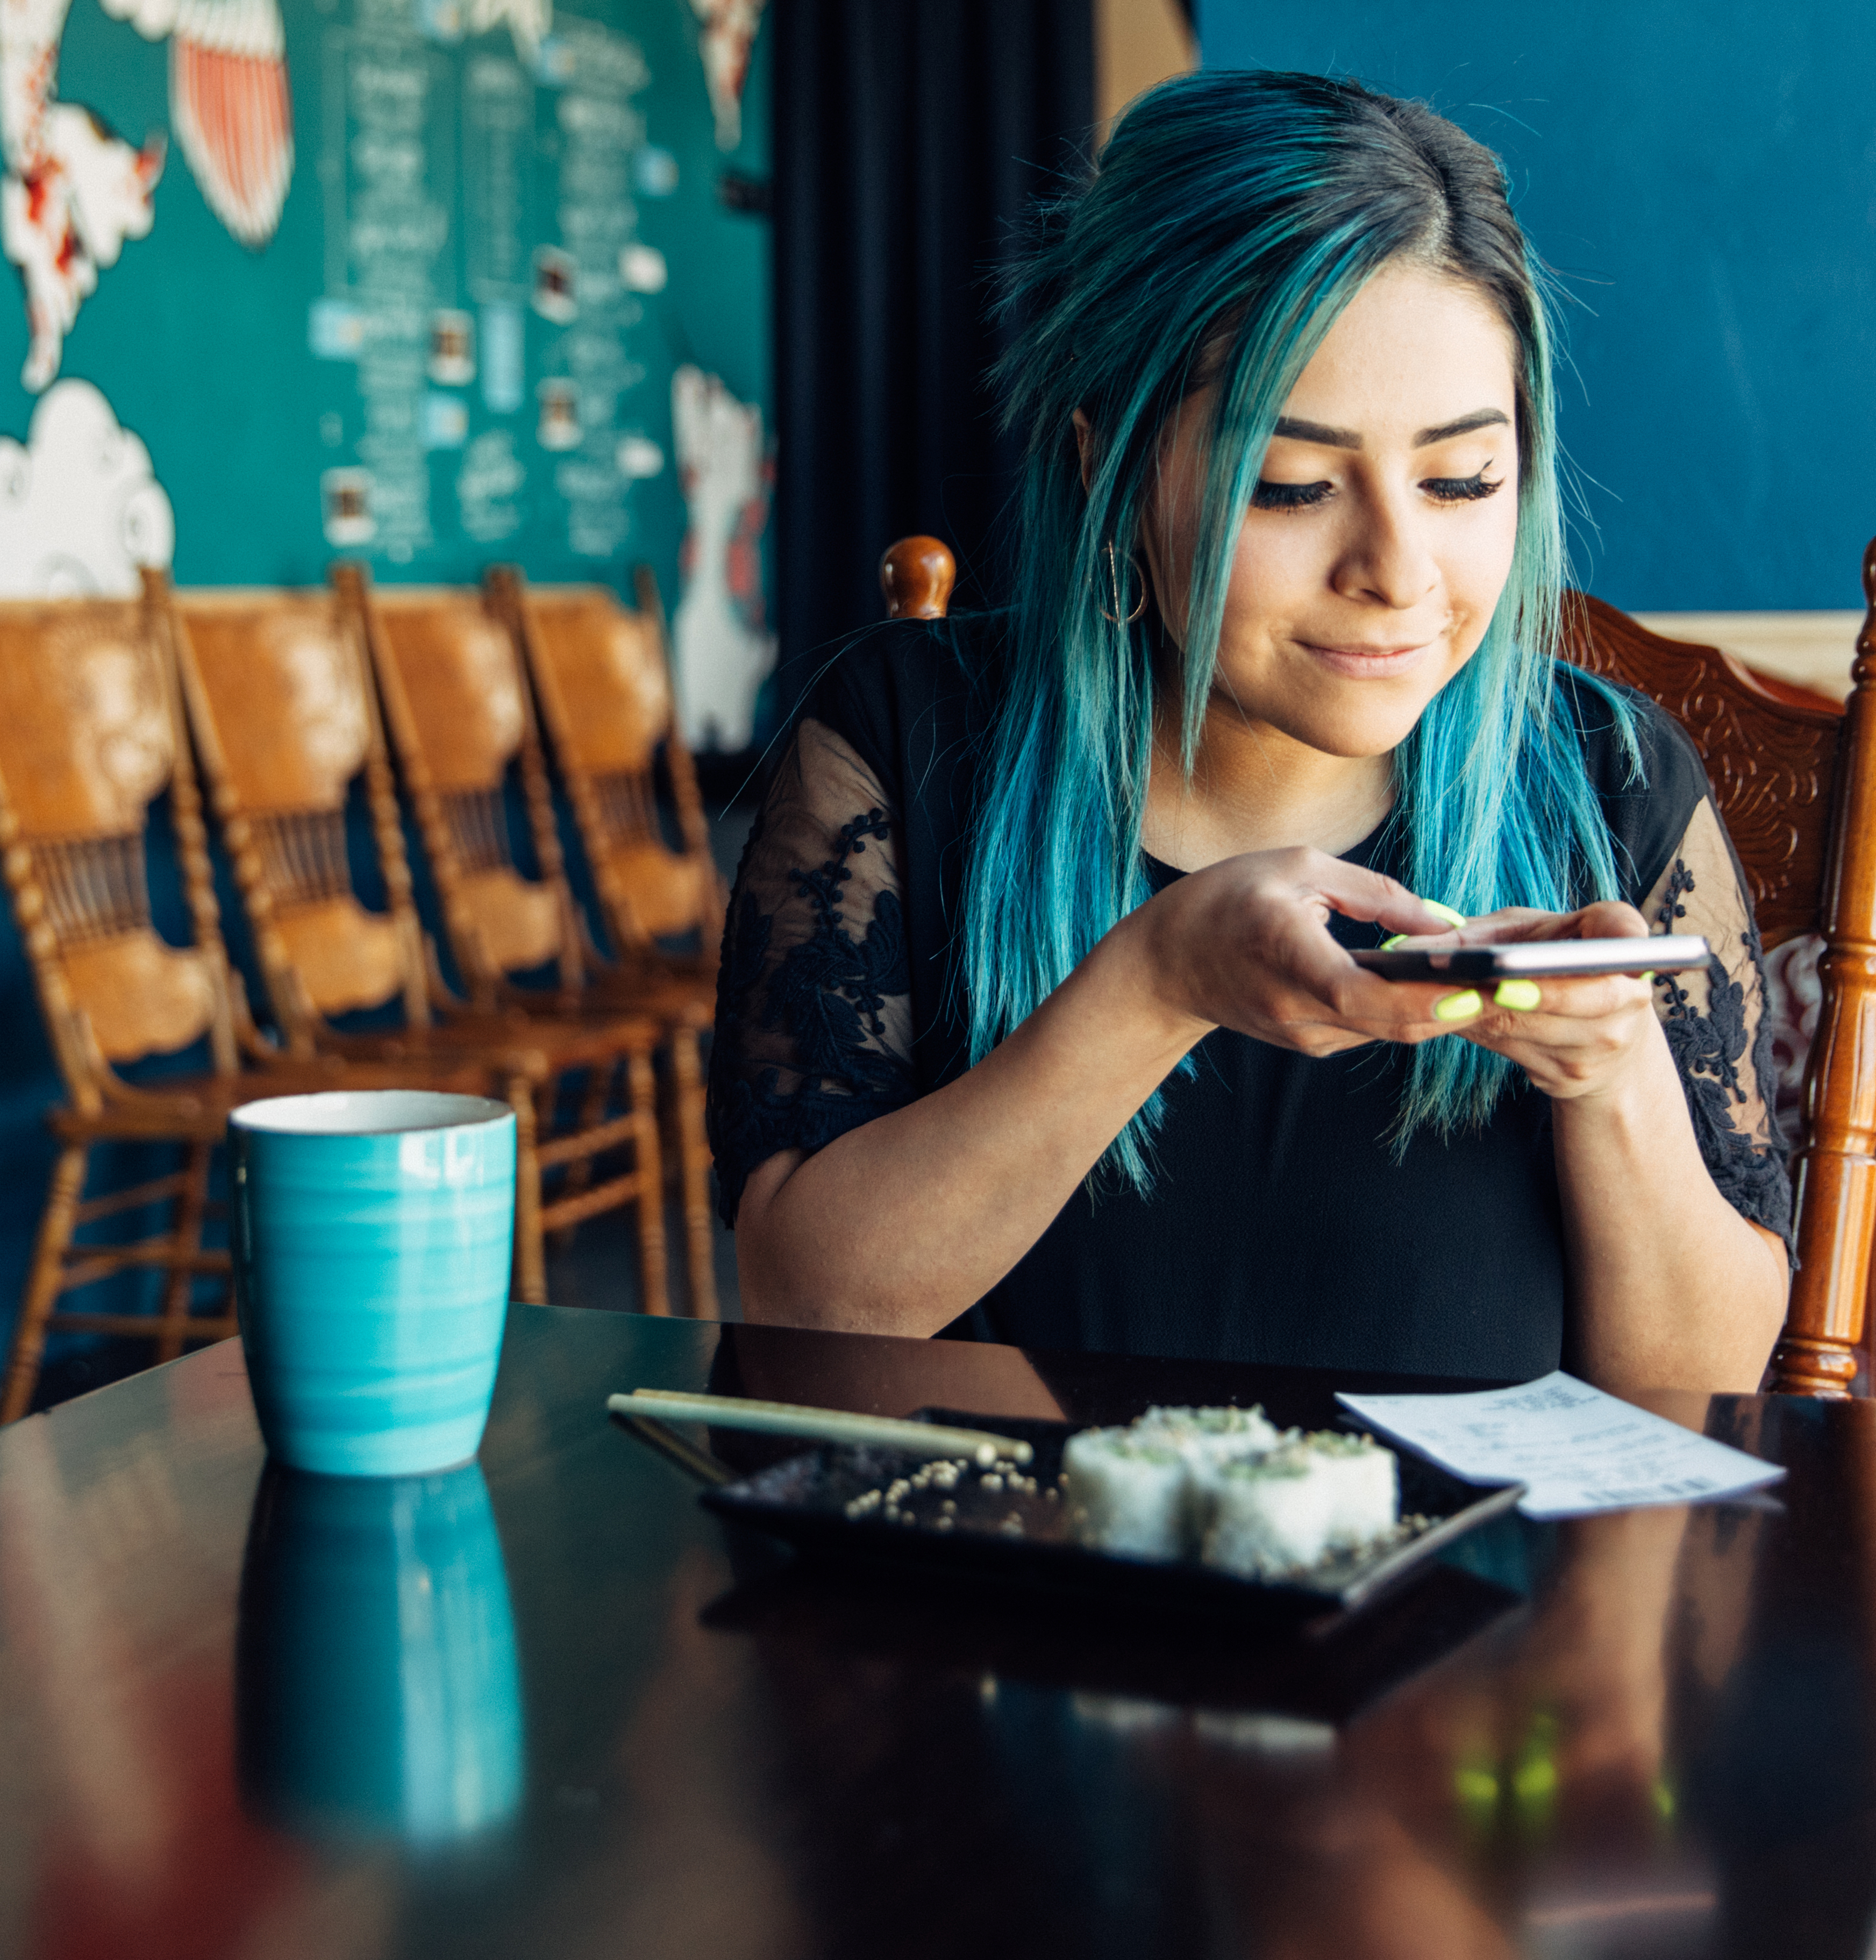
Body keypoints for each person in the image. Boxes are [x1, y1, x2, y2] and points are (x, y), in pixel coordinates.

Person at [706, 70, 1790, 1393]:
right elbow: (808, 1307)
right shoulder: (902, 739)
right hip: (1021, 1588)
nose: (1398, 568)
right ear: (1109, 466)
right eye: (1290, 486)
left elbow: (1708, 1380)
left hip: (1486, 1594)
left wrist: (1615, 1075)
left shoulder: (1607, 784)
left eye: (1461, 478)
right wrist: (1156, 981)